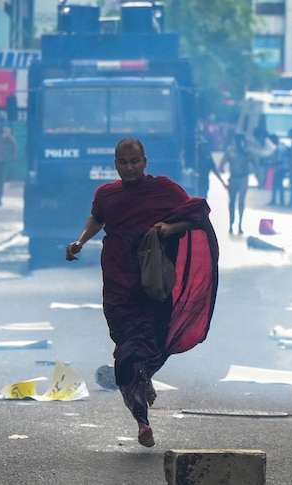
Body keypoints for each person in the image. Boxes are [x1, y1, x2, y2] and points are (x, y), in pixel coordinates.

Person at [65, 137, 219, 448]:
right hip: (119, 284)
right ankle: (142, 421)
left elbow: (196, 215)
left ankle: (144, 375)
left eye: (135, 161)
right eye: (124, 162)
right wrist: (81, 240)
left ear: (145, 162)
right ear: (116, 165)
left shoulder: (165, 189)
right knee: (127, 351)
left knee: (156, 341)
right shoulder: (106, 194)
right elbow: (98, 219)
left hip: (155, 284)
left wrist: (169, 229)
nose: (130, 167)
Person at [219, 134, 257, 234]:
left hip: (243, 178)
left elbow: (256, 164)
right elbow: (221, 165)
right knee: (232, 202)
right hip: (233, 178)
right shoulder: (230, 151)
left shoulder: (248, 152)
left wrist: (259, 178)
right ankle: (231, 224)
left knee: (241, 202)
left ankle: (240, 224)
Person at [268, 133, 288, 207]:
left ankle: (276, 200)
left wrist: (273, 164)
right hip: (282, 168)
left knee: (276, 184)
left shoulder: (279, 148)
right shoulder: (281, 146)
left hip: (280, 168)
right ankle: (280, 201)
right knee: (279, 185)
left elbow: (279, 160)